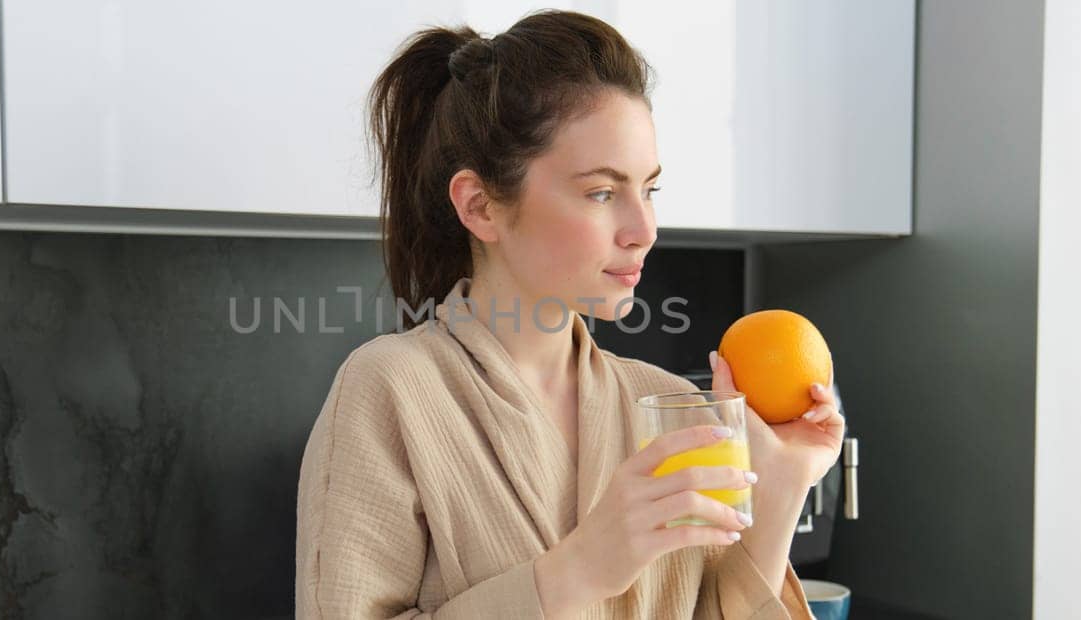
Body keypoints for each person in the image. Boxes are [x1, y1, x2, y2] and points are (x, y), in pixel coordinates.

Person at [295, 10, 845, 619]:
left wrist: (785, 483)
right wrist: (578, 571)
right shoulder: (389, 391)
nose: (644, 230)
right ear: (480, 206)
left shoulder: (664, 405)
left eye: (650, 189)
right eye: (603, 192)